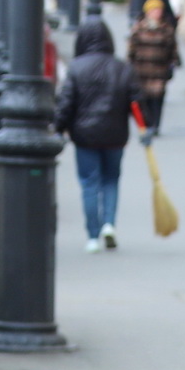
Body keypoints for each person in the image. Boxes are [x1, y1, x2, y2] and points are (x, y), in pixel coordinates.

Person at [53, 12, 136, 250]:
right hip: (116, 136)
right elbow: (136, 100)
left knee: (89, 183)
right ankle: (109, 224)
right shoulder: (122, 68)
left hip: (85, 136)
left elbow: (66, 103)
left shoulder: (76, 68)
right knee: (111, 180)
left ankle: (92, 236)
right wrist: (146, 127)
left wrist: (58, 128)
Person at [126, 0, 179, 142]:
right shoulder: (139, 28)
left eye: (159, 10)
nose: (157, 13)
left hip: (159, 70)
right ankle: (147, 124)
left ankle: (155, 125)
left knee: (158, 99)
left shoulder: (166, 29)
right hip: (142, 71)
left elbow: (172, 49)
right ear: (148, 12)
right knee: (144, 99)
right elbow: (132, 49)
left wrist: (172, 64)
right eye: (154, 10)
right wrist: (130, 66)